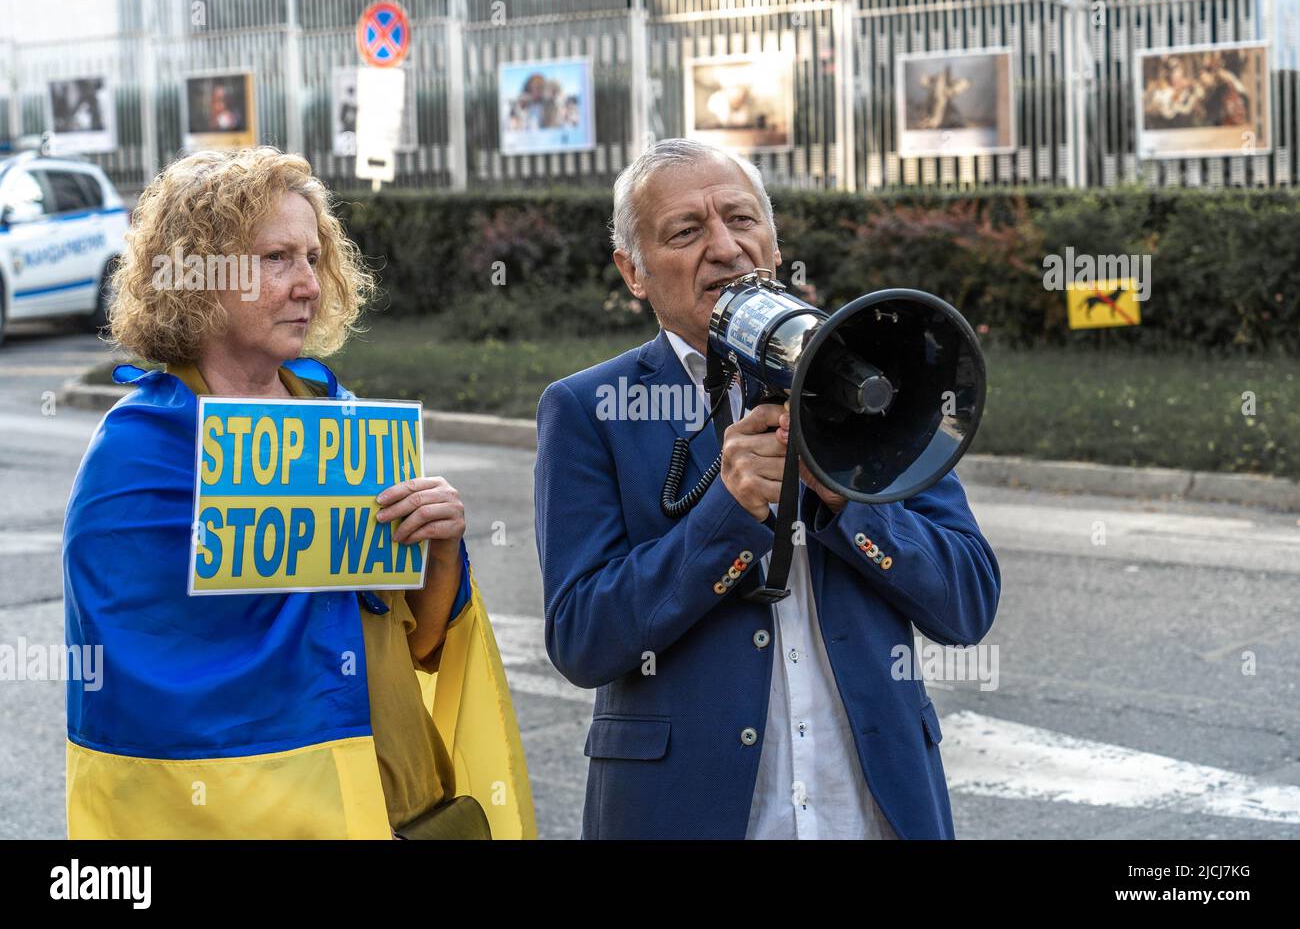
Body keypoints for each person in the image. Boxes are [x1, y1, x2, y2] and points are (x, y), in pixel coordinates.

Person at [533, 138, 1001, 839]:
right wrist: (727, 515)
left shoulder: (868, 374)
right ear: (632, 271)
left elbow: (967, 602)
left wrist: (847, 501)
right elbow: (584, 639)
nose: (725, 248)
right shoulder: (588, 408)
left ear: (775, 245)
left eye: (742, 220)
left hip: (870, 813)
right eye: (686, 231)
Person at [64, 146, 533, 839]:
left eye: (313, 257)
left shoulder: (341, 414)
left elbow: (418, 644)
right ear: (198, 276)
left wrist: (440, 551)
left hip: (399, 798)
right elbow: (141, 683)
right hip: (257, 814)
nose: (308, 283)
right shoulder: (138, 451)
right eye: (276, 258)